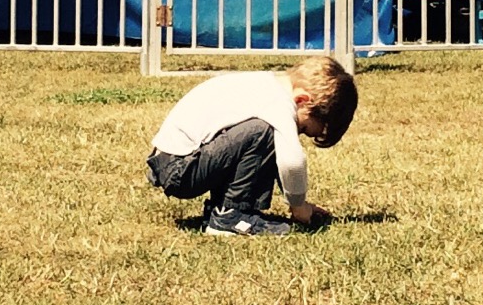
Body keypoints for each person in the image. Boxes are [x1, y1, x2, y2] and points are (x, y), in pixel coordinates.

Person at [146, 56, 357, 237]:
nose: (296, 134)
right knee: (263, 132)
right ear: (302, 100)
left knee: (263, 134)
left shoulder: (266, 86)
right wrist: (299, 207)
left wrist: (299, 201)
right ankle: (231, 217)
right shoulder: (278, 102)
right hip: (180, 169)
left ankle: (221, 209)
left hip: (175, 163)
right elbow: (292, 162)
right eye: (302, 128)